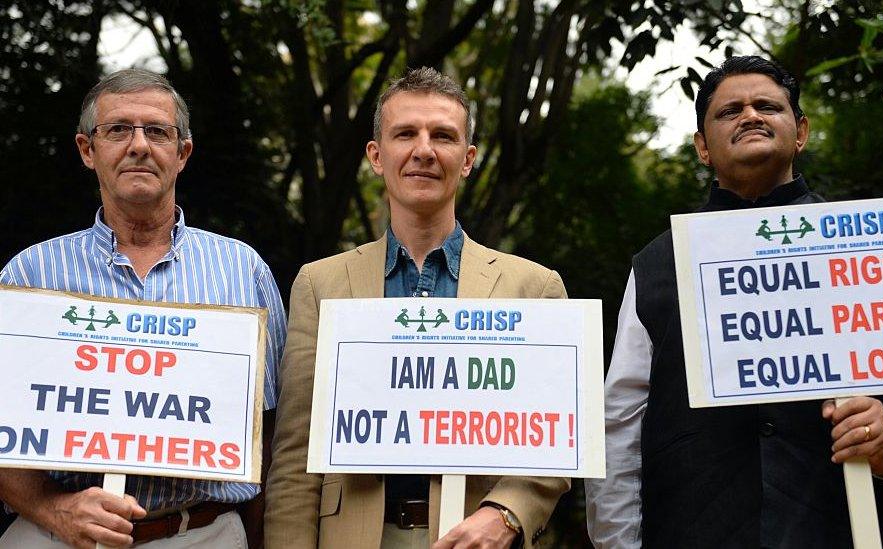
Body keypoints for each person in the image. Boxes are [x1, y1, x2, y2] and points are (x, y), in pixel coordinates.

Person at [584, 56, 883, 548]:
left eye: (767, 105)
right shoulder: (655, 266)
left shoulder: (882, 244)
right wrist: (617, 543)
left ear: (801, 132)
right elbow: (620, 423)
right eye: (730, 111)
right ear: (703, 148)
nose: (750, 115)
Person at [264, 67, 570, 549]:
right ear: (376, 155)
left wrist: (507, 514)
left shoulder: (534, 288)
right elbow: (296, 457)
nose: (423, 150)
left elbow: (556, 439)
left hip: (476, 538)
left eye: (443, 136)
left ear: (467, 159)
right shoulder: (320, 284)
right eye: (405, 133)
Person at [0, 68, 286, 548]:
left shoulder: (243, 271)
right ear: (87, 151)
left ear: (182, 153)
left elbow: (274, 432)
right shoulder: (27, 277)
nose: (138, 145)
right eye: (117, 130)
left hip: (204, 534)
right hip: (55, 535)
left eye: (157, 131)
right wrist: (52, 508)